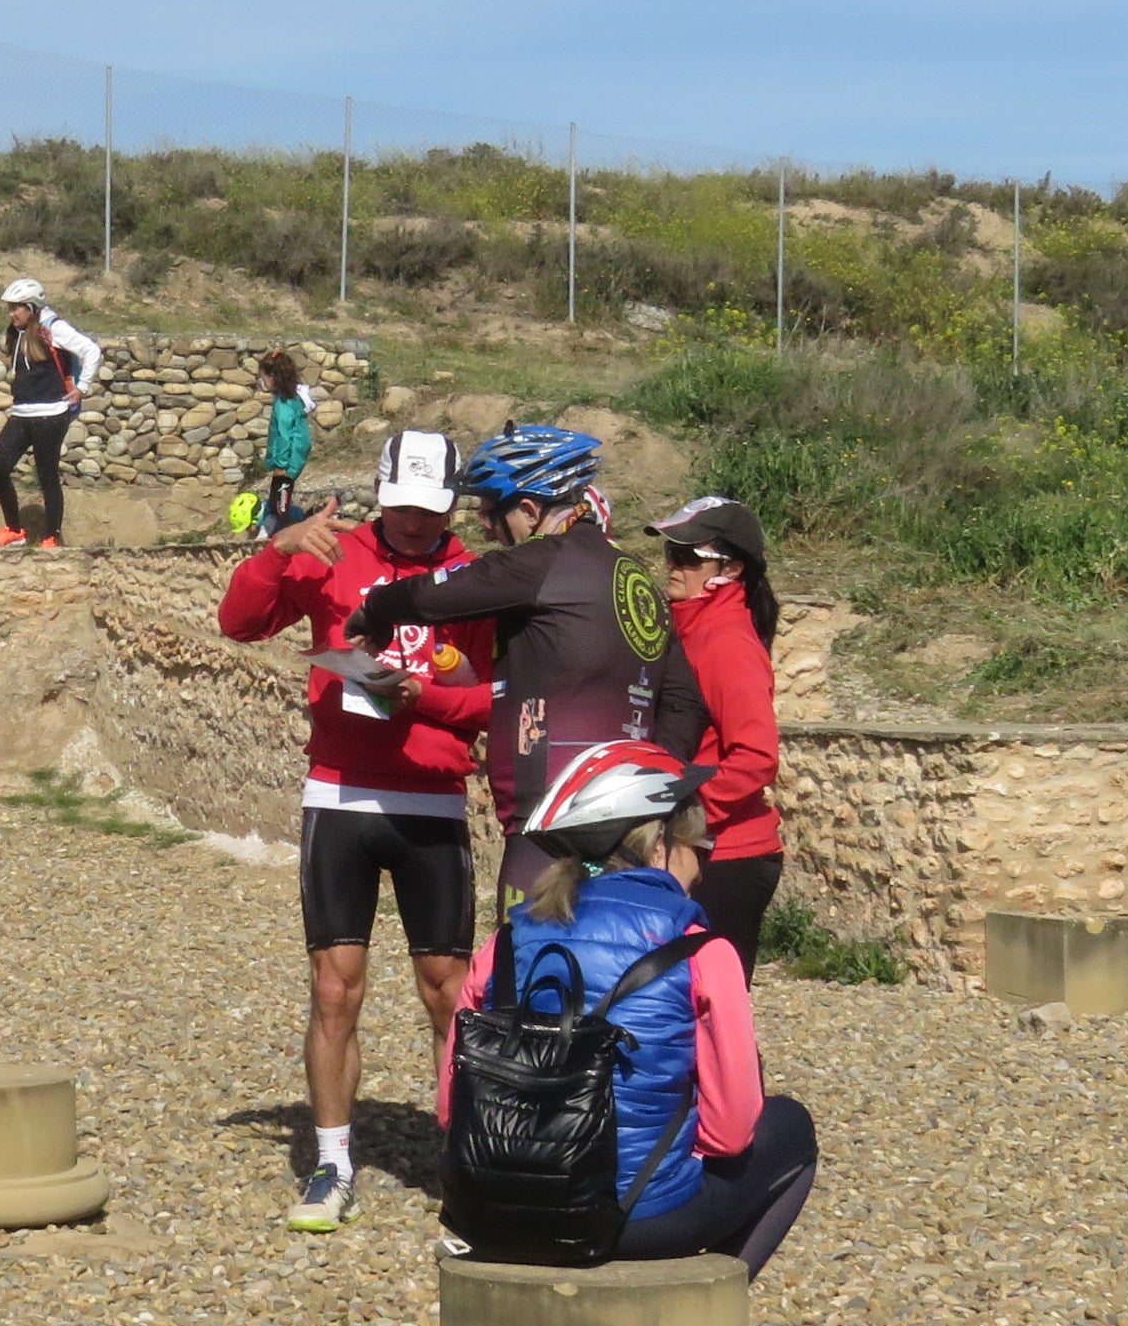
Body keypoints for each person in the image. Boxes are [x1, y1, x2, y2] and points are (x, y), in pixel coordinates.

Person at [218, 429, 497, 1232]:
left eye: (431, 509)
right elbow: (238, 623)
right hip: (340, 795)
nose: (415, 523)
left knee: (448, 992)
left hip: (434, 799)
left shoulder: (475, 576)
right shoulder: (330, 550)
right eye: (403, 507)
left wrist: (431, 700)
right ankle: (333, 1161)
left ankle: (462, 1158)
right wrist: (278, 550)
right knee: (334, 988)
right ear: (381, 490)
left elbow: (492, 698)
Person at [440, 741, 816, 1269]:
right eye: (698, 843)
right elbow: (730, 1134)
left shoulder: (503, 944)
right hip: (640, 1219)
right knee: (791, 1128)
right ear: (659, 843)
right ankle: (702, 1314)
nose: (702, 864)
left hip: (496, 1208)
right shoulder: (699, 948)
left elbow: (449, 1109)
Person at [344, 423, 707, 901]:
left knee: (529, 967)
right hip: (630, 822)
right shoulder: (638, 577)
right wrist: (648, 793)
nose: (487, 529)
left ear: (531, 510)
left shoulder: (544, 560)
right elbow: (686, 703)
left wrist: (376, 611)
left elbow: (439, 592)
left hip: (549, 823)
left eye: (492, 514)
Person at [651, 495, 786, 973]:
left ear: (729, 570)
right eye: (670, 553)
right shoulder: (694, 628)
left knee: (709, 1014)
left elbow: (756, 756)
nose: (672, 566)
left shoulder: (726, 640)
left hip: (726, 856)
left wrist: (686, 825)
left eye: (688, 557)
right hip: (703, 849)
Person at [0, 278, 102, 548]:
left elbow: (91, 350)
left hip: (51, 413)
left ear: (31, 307)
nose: (12, 313)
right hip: (22, 412)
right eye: (10, 308)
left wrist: (82, 388)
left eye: (17, 308)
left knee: (46, 474)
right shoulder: (18, 330)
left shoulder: (54, 328)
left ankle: (52, 536)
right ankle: (15, 529)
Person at [252, 350, 318, 538]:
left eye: (263, 378)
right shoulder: (292, 399)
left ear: (272, 377)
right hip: (293, 457)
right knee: (278, 502)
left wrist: (281, 465)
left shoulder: (283, 405)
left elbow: (283, 435)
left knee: (279, 505)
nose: (262, 382)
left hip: (287, 462)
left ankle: (281, 536)